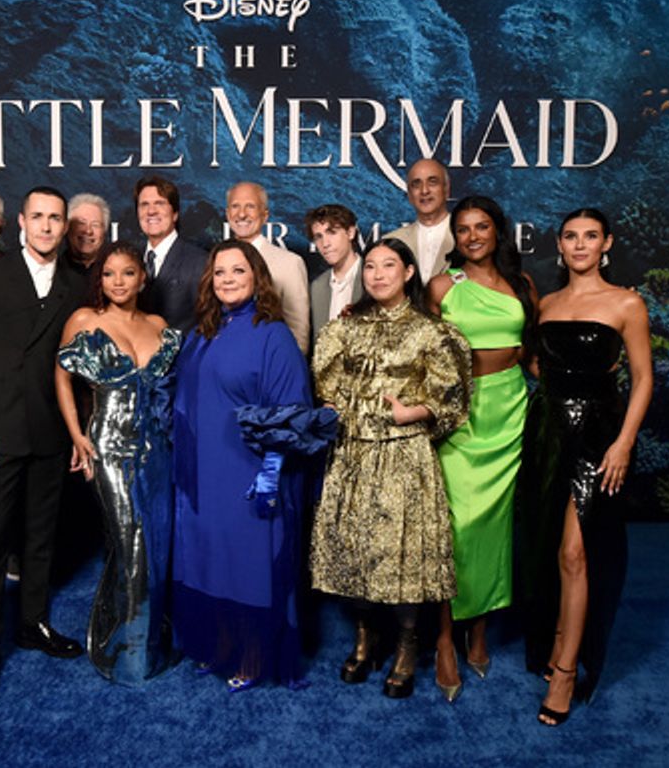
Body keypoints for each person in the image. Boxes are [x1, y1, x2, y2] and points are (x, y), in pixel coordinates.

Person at [310, 238, 471, 699]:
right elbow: (328, 386)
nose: (378, 275)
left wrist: (411, 413)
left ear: (408, 273)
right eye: (372, 267)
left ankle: (405, 644)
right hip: (353, 453)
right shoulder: (345, 328)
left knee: (401, 559)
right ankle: (366, 637)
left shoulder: (431, 331)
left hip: (403, 456)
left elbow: (453, 399)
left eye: (389, 266)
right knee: (355, 552)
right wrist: (335, 408)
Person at [171, 240, 327, 691]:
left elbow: (292, 411)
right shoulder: (203, 331)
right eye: (219, 273)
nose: (227, 280)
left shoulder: (273, 335)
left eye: (237, 271)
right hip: (203, 471)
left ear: (257, 276)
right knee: (211, 560)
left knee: (249, 565)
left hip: (249, 472)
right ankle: (221, 647)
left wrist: (270, 474)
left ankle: (255, 655)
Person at [518, 208, 652, 726]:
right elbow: (538, 365)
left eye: (590, 236)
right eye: (571, 236)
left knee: (576, 551)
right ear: (561, 245)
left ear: (606, 243)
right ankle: (556, 640)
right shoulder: (548, 304)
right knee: (548, 543)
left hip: (600, 437)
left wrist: (622, 444)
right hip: (549, 433)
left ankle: (567, 671)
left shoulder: (626, 302)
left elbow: (643, 379)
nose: (579, 245)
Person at [0, 186, 86, 697]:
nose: (47, 226)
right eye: (38, 216)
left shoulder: (77, 284)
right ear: (21, 221)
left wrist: (78, 433)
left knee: (40, 538)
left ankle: (32, 625)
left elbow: (78, 367)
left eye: (56, 218)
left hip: (50, 433)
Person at [426, 196, 536, 702]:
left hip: (510, 409)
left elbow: (531, 355)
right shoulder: (444, 287)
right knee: (458, 528)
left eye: (482, 226)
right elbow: (422, 355)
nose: (473, 236)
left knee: (495, 527)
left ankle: (480, 632)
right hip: (461, 416)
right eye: (464, 228)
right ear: (455, 236)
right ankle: (445, 638)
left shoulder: (522, 286)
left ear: (498, 231)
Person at [55, 242, 180, 684]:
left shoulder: (159, 325)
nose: (118, 282)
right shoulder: (86, 321)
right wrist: (76, 434)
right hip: (109, 445)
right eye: (109, 274)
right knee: (132, 542)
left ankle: (151, 639)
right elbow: (62, 375)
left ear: (142, 278)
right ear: (100, 280)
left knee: (158, 542)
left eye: (128, 273)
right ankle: (125, 647)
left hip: (158, 448)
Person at [226, 182, 311, 353]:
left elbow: (298, 333)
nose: (242, 214)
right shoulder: (215, 261)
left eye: (250, 206)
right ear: (228, 214)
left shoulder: (289, 263)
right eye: (235, 206)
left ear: (264, 215)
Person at [133, 175, 206, 334]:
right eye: (144, 205)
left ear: (175, 214)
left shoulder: (199, 261)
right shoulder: (131, 259)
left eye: (159, 203)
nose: (151, 211)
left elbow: (207, 324)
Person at [382, 158, 455, 283]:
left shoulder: (466, 236)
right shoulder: (391, 242)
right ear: (409, 195)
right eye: (416, 184)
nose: (424, 191)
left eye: (432, 182)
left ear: (446, 190)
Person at [307, 204, 363, 340]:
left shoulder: (374, 278)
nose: (325, 244)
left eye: (332, 232)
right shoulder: (317, 287)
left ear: (350, 232)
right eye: (318, 237)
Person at [64, 192, 110, 277]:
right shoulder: (51, 269)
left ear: (104, 231)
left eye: (95, 225)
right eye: (81, 223)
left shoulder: (114, 271)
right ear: (67, 227)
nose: (88, 231)